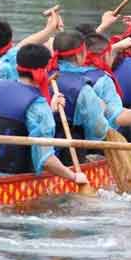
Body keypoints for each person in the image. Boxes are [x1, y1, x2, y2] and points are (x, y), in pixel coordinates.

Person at [0, 43, 90, 187]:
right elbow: (46, 160)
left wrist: (49, 110)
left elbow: (12, 114)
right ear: (44, 70)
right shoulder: (38, 106)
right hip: (6, 182)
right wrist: (74, 176)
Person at [47, 31, 113, 164]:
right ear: (79, 56)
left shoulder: (40, 75)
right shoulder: (83, 90)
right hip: (69, 154)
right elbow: (99, 130)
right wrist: (101, 109)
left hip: (42, 149)